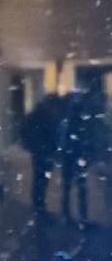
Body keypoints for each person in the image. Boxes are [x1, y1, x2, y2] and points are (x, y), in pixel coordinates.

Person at [59, 79, 108, 225]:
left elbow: (64, 139)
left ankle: (68, 215)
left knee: (69, 188)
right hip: (76, 155)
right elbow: (85, 138)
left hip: (70, 155)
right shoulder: (82, 123)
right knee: (79, 188)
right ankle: (81, 216)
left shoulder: (68, 122)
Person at [19, 91, 64, 214]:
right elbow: (52, 134)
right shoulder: (47, 117)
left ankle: (38, 202)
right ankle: (39, 203)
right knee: (42, 178)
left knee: (39, 177)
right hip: (44, 150)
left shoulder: (36, 116)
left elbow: (25, 131)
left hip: (40, 150)